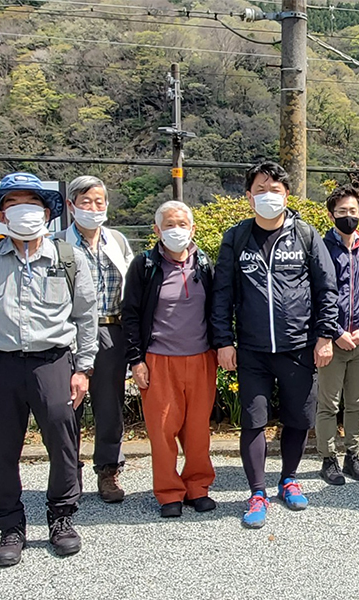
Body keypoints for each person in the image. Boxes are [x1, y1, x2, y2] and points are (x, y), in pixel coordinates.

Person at [0, 173, 97, 566]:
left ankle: (61, 518)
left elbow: (86, 315)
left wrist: (84, 368)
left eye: (32, 204)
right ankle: (10, 525)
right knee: (2, 448)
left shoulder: (68, 258)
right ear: (2, 215)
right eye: (14, 205)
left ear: (47, 211)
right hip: (0, 364)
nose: (24, 212)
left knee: (62, 443)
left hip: (54, 362)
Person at [211, 161, 338, 529]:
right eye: (261, 189)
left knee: (299, 418)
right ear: (249, 196)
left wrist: (325, 336)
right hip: (251, 350)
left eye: (276, 190)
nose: (269, 196)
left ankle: (289, 479)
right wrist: (224, 341)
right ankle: (256, 492)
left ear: (287, 195)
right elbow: (222, 293)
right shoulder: (236, 238)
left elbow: (326, 289)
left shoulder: (306, 235)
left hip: (299, 347)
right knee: (253, 421)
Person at [122, 201, 217, 518]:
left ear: (193, 228)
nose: (176, 230)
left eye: (182, 224)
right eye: (169, 224)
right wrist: (136, 360)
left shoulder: (204, 264)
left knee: (198, 429)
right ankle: (168, 492)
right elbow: (131, 315)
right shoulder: (145, 266)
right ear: (157, 230)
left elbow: (217, 311)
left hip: (202, 358)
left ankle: (198, 487)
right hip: (159, 360)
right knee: (162, 431)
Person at [55, 176, 134, 503]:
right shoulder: (57, 243)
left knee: (109, 406)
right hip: (67, 332)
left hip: (111, 330)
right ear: (72, 206)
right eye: (85, 202)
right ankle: (68, 472)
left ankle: (108, 470)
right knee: (66, 405)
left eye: (99, 201)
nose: (93, 208)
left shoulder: (117, 239)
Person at [316, 185, 359, 484]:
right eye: (342, 211)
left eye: (353, 211)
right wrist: (336, 332)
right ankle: (327, 458)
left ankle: (352, 456)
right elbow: (315, 296)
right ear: (331, 214)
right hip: (332, 341)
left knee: (357, 402)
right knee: (328, 404)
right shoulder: (320, 248)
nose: (348, 216)